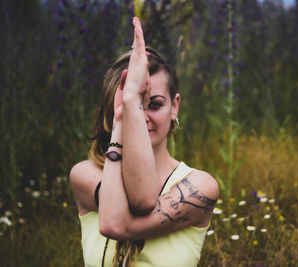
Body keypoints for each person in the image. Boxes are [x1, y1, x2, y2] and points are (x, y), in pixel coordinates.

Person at [69, 17, 219, 267]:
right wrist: (121, 121)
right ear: (114, 108)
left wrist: (129, 105)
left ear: (175, 106)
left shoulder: (199, 187)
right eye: (133, 104)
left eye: (155, 104)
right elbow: (119, 215)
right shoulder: (85, 174)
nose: (142, 117)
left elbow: (126, 217)